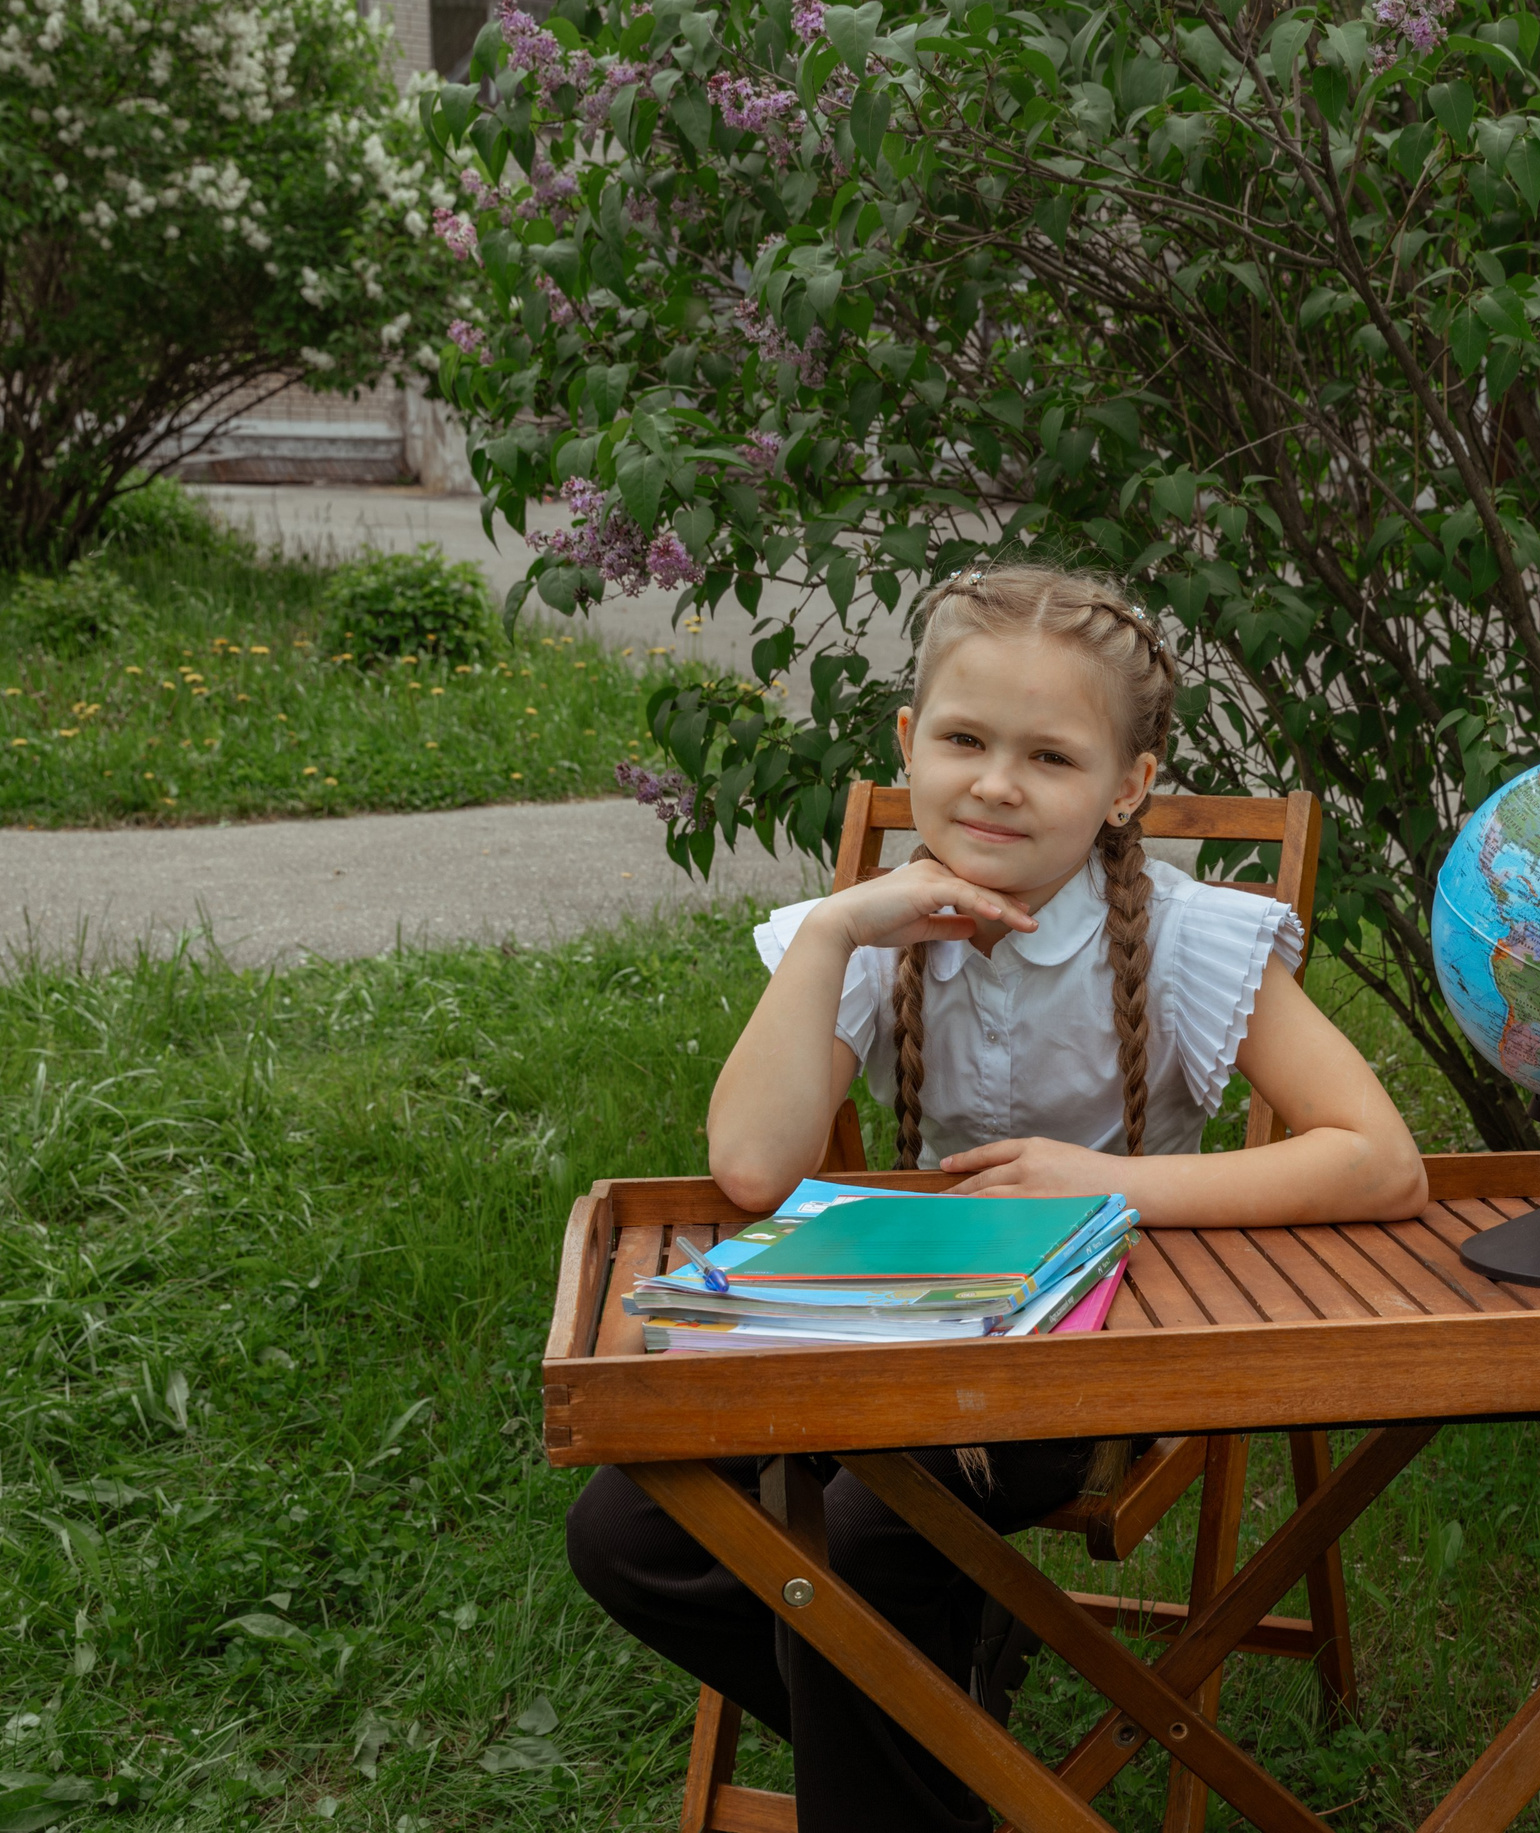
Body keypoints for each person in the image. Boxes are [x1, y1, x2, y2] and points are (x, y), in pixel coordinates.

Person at [566, 563, 1428, 1832]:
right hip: (888, 1329)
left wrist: (1108, 1186)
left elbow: (1379, 1156)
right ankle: (962, 1746)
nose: (996, 784)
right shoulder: (870, 929)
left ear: (1128, 787)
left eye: (1051, 757)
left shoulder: (1187, 938)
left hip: (1083, 1364)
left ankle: (927, 1754)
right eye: (964, 740)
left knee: (864, 1542)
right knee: (625, 1530)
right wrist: (828, 938)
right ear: (909, 745)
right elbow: (752, 1168)